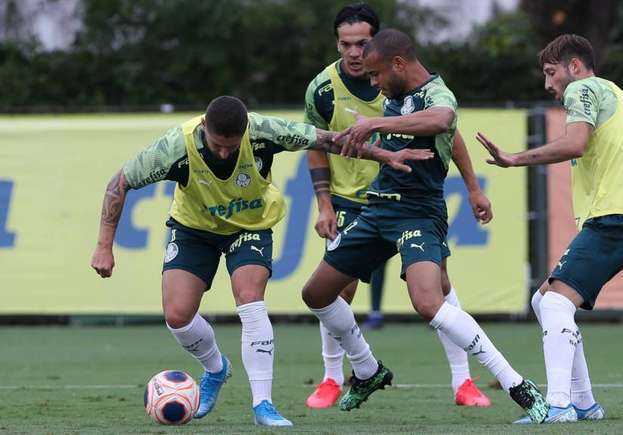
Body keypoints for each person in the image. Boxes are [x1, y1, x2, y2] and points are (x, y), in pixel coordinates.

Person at [89, 96, 431, 427]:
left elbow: (327, 140)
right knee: (177, 317)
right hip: (193, 229)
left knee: (250, 300)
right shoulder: (175, 147)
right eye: (217, 144)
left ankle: (262, 404)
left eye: (232, 145)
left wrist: (384, 155)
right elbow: (118, 183)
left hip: (250, 227)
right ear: (205, 126)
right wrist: (104, 245)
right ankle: (215, 369)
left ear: (245, 132)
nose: (224, 152)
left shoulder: (265, 130)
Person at [300, 29, 549, 424]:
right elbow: (439, 132)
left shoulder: (438, 94)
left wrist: (470, 187)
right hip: (377, 209)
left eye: (377, 74)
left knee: (430, 301)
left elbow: (445, 121)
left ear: (399, 64)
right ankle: (366, 370)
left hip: (419, 213)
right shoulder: (395, 97)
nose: (374, 83)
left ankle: (517, 385)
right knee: (316, 293)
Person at [303, 3, 493, 409]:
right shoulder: (321, 89)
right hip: (355, 200)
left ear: (380, 48)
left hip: (409, 199)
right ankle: (333, 378)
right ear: (336, 44)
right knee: (337, 288)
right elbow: (317, 147)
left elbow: (448, 132)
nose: (354, 53)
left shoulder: (401, 81)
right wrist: (323, 204)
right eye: (345, 44)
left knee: (437, 285)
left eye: (361, 44)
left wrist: (474, 187)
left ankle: (464, 381)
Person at [476, 34, 623, 423]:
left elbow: (575, 143)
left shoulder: (584, 88)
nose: (548, 85)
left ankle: (559, 406)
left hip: (616, 218)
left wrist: (514, 158)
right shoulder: (614, 92)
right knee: (544, 301)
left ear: (574, 68)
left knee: (556, 303)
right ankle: (584, 402)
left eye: (551, 72)